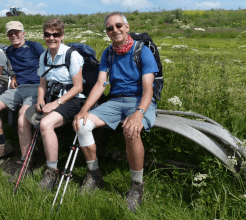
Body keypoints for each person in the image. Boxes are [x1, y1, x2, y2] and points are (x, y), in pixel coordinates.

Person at [73, 12, 158, 211]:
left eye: (118, 25)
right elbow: (100, 84)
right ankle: (94, 174)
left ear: (127, 27)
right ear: (107, 32)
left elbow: (148, 90)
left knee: (131, 130)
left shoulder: (142, 51)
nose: (115, 30)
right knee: (82, 125)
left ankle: (137, 184)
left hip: (140, 100)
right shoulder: (108, 53)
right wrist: (84, 109)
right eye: (110, 28)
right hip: (116, 101)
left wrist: (138, 114)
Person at [28, 18, 85, 190]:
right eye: (47, 34)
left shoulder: (72, 55)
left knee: (45, 124)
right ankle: (28, 158)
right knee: (27, 114)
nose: (51, 38)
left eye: (56, 34)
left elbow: (78, 87)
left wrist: (56, 103)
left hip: (73, 99)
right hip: (52, 97)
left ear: (62, 35)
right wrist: (40, 99)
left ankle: (51, 171)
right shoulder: (44, 56)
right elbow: (42, 84)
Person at [0, 21, 45, 163]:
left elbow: (47, 65)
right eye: (10, 33)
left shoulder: (35, 46)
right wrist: (15, 76)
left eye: (16, 32)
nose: (13, 35)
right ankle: (2, 145)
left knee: (23, 115)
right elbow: (14, 68)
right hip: (19, 88)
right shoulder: (9, 51)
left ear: (23, 33)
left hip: (36, 87)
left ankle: (26, 158)